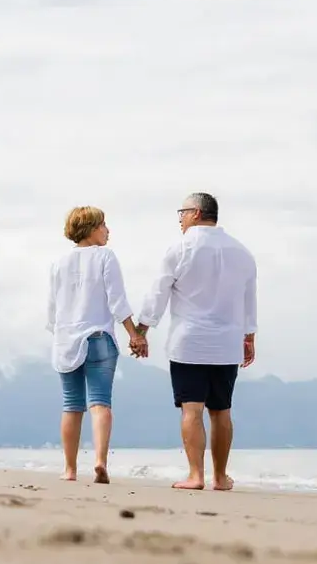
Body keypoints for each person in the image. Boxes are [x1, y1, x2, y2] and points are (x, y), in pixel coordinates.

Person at [136, 192, 257, 491]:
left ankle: (195, 475)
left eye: (182, 213)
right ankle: (220, 477)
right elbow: (249, 299)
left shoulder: (180, 248)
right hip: (227, 343)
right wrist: (249, 336)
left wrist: (141, 331)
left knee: (192, 409)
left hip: (188, 342)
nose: (179, 219)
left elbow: (158, 293)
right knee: (222, 411)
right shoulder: (242, 252)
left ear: (196, 213)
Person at [46, 206, 147, 484]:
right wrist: (134, 335)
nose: (108, 230)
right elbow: (118, 302)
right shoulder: (105, 256)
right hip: (99, 339)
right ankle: (100, 462)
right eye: (103, 225)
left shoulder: (58, 263)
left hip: (66, 340)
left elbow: (52, 310)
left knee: (71, 406)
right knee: (100, 403)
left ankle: (69, 469)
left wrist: (61, 335)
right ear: (90, 229)